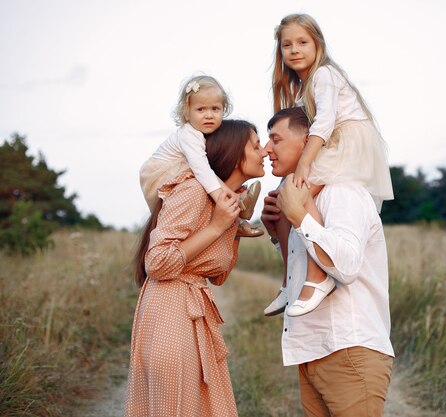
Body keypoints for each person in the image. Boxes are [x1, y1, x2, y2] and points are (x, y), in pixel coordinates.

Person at [125, 119, 267, 417]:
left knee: (199, 406)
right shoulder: (191, 190)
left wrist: (232, 227)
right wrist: (216, 227)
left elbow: (218, 275)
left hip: (192, 309)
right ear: (233, 152)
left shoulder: (223, 200)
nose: (264, 152)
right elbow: (157, 263)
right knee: (174, 406)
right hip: (169, 309)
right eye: (256, 146)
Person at [261, 107, 394, 416]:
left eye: (276, 139)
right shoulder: (305, 196)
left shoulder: (341, 192)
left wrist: (297, 216)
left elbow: (345, 265)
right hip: (316, 351)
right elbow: (309, 267)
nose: (268, 149)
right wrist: (278, 234)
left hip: (348, 348)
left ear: (309, 142)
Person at [265, 13, 393, 317]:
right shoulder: (302, 86)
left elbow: (323, 123)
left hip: (346, 142)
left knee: (300, 190)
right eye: (287, 45)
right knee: (284, 199)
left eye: (302, 42)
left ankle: (319, 277)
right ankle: (288, 282)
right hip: (329, 141)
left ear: (317, 44)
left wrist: (305, 164)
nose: (294, 49)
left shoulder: (324, 75)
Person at [139, 74, 263, 238]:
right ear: (187, 114)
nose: (209, 115)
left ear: (223, 109)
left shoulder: (201, 134)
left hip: (187, 168)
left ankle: (235, 212)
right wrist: (221, 197)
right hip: (159, 172)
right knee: (203, 183)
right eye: (200, 109)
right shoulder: (189, 135)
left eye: (215, 109)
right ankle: (235, 208)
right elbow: (202, 170)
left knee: (206, 180)